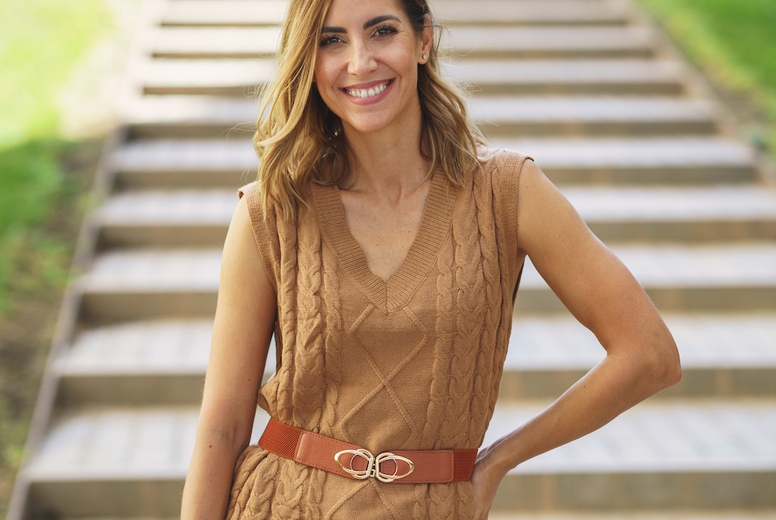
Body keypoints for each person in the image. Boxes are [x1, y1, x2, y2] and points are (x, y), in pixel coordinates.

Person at [180, 0, 682, 517]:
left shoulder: (506, 192)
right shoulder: (273, 211)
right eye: (331, 41)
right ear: (308, 60)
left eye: (382, 31)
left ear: (423, 41)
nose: (359, 61)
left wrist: (495, 462)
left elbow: (649, 354)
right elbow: (223, 424)